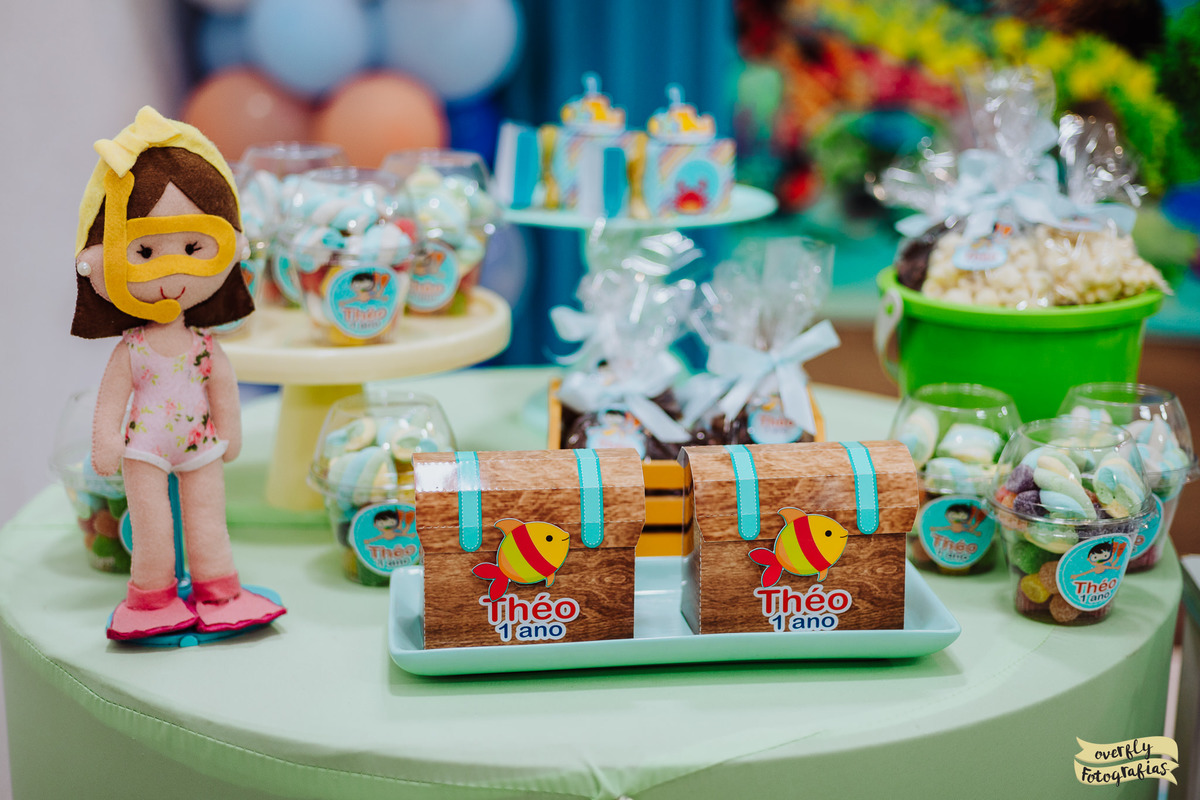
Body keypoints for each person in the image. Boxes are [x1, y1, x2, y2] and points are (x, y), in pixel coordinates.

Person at [72, 106, 285, 640]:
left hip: (200, 444)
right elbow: (113, 397)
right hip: (145, 449)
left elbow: (222, 387)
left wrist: (229, 430)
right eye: (144, 251)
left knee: (209, 521)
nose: (171, 268)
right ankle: (153, 597)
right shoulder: (134, 348)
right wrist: (106, 442)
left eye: (193, 247)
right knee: (152, 528)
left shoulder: (205, 346)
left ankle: (219, 589)